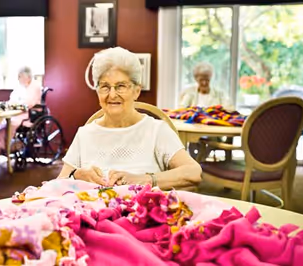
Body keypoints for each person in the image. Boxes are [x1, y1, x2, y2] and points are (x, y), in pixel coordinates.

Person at [56, 47, 202, 189]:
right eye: (105, 86)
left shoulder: (156, 131)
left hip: (143, 212)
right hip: (92, 212)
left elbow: (193, 173)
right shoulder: (85, 134)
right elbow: (58, 185)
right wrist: (76, 175)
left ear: (136, 91)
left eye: (121, 86)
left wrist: (146, 180)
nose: (112, 95)